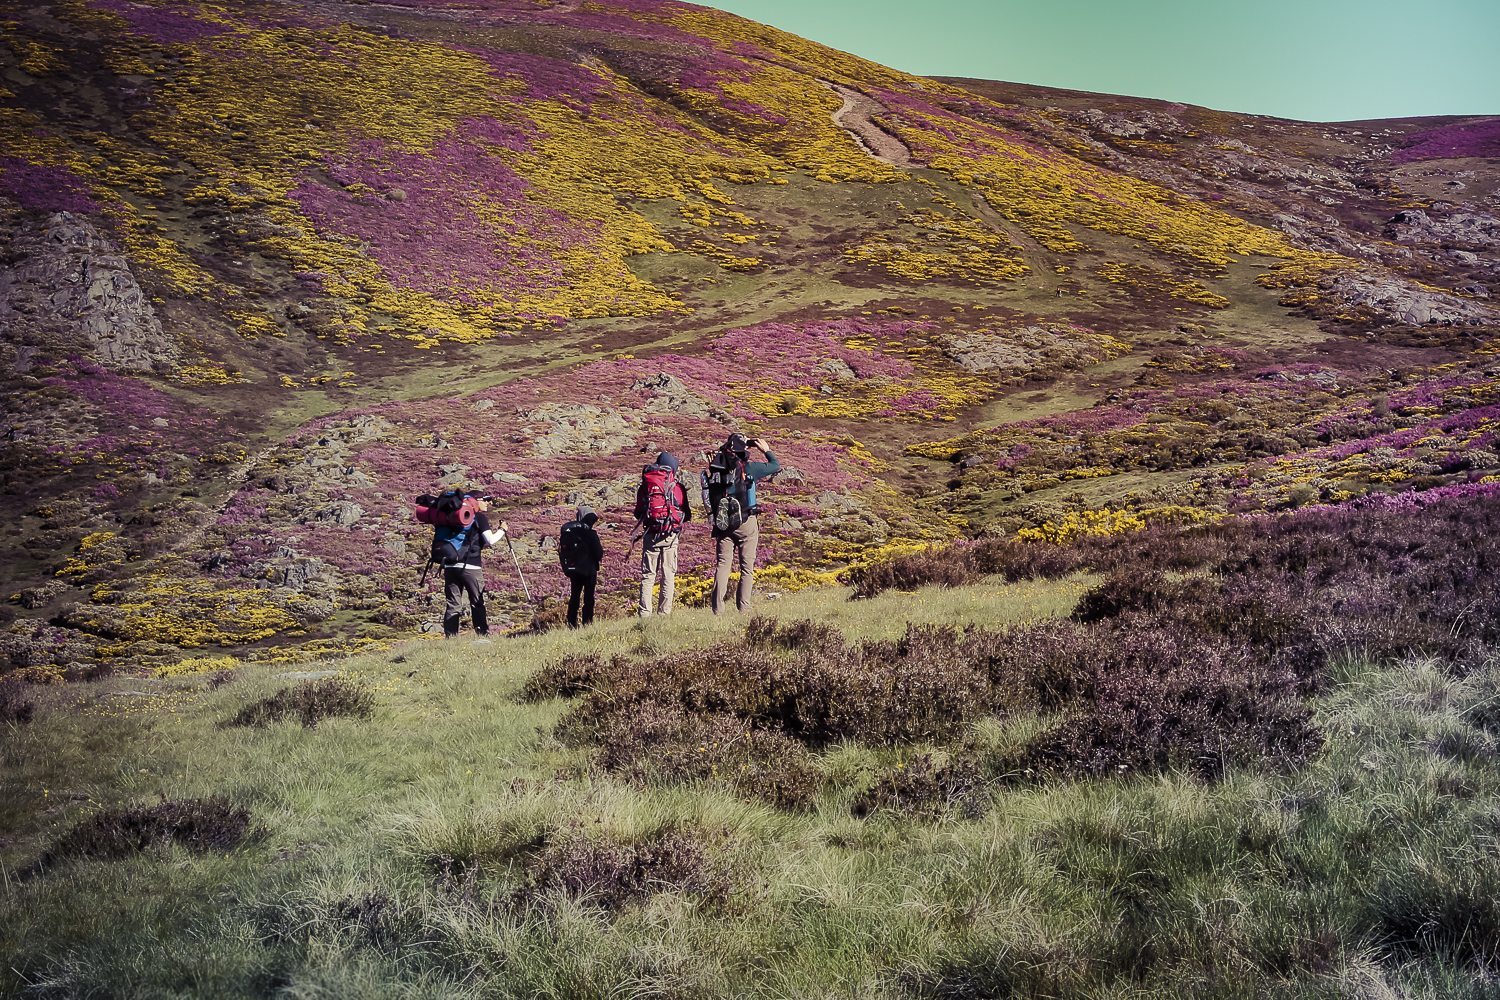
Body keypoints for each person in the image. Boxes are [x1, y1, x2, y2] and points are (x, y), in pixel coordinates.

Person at [702, 434, 780, 615]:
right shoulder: (749, 467)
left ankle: (717, 610)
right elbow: (776, 466)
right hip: (746, 521)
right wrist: (766, 450)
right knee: (747, 567)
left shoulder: (716, 468)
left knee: (723, 564)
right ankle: (744, 609)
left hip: (723, 524)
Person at [635, 451, 690, 617]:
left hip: (651, 534)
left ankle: (645, 614)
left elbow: (638, 513)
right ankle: (664, 613)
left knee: (648, 575)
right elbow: (686, 514)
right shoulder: (676, 487)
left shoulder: (646, 485)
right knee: (668, 575)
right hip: (670, 535)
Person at [442, 496, 506, 638]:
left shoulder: (453, 517)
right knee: (477, 602)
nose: (489, 502)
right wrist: (502, 530)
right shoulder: (479, 517)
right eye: (486, 499)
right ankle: (482, 635)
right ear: (476, 500)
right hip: (471, 567)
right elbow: (490, 540)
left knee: (453, 604)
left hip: (450, 566)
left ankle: (450, 638)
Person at [558, 505, 604, 628]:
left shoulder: (569, 533)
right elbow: (599, 553)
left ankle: (571, 624)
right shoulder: (590, 533)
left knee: (574, 597)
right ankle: (587, 623)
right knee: (589, 598)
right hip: (589, 570)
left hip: (575, 570)